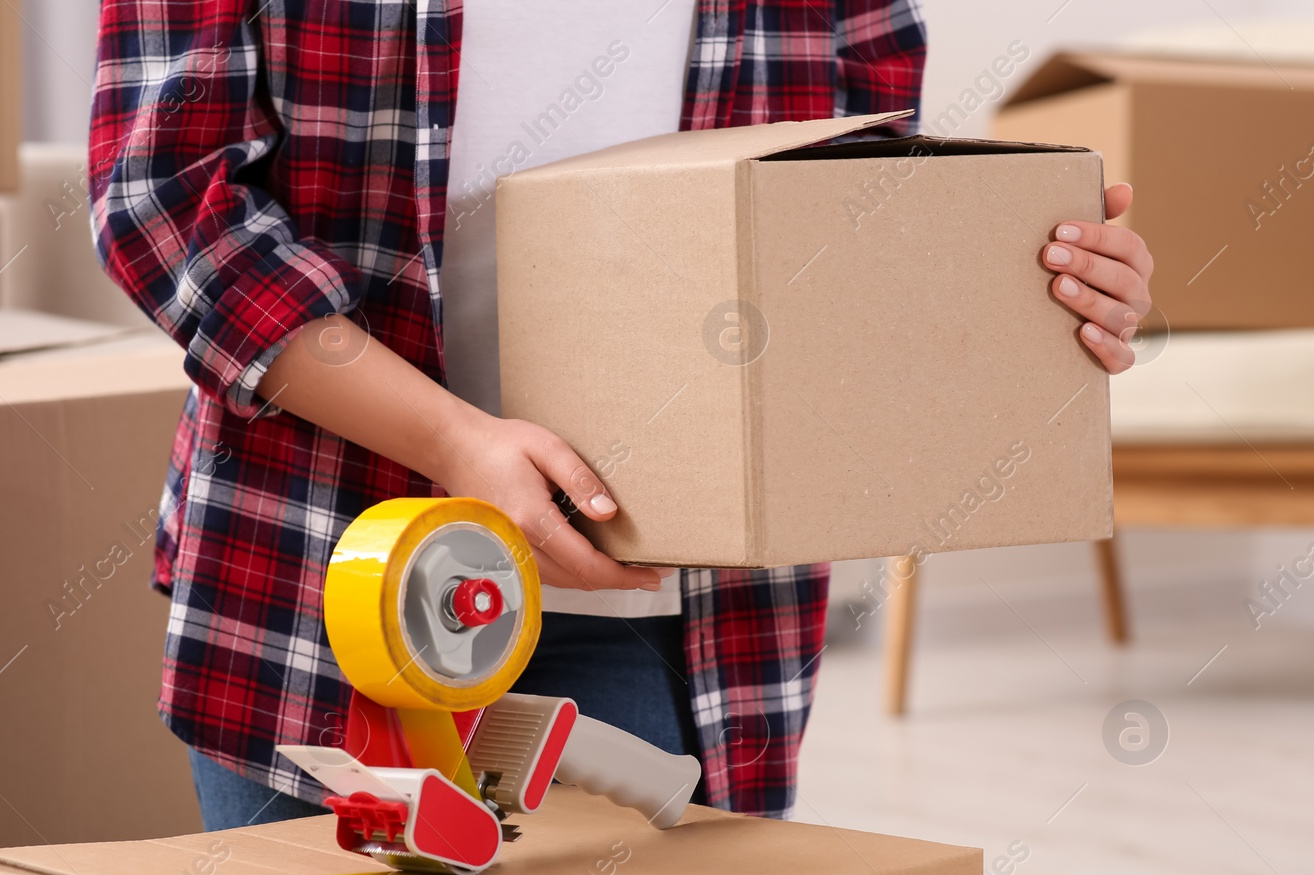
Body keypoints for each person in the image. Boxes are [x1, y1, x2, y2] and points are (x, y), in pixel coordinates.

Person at [90, 1, 1152, 832]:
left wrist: (1035, 279)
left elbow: (845, 211)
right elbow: (164, 199)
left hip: (664, 609)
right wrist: (458, 441)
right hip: (328, 587)